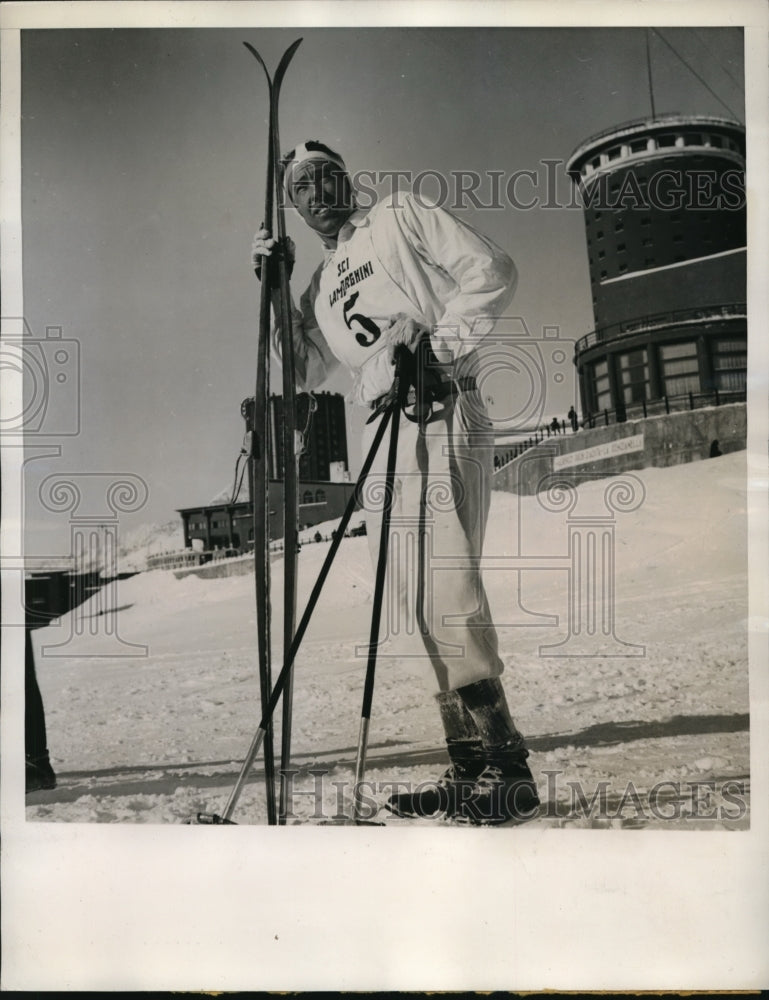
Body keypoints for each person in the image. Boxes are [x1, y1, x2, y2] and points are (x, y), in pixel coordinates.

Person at [251, 140, 538, 825]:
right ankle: (468, 765)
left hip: (439, 403)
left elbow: (491, 268)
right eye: (302, 188)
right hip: (380, 428)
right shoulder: (319, 287)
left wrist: (440, 348)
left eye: (327, 176)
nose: (318, 192)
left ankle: (509, 770)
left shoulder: (398, 215)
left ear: (347, 179)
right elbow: (300, 372)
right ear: (293, 206)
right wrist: (275, 292)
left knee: (446, 585)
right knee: (409, 601)